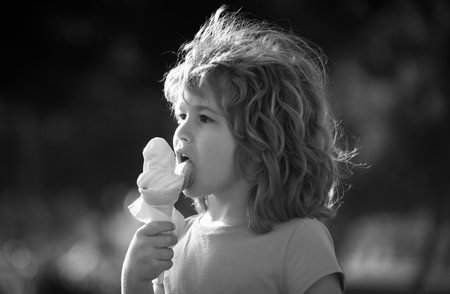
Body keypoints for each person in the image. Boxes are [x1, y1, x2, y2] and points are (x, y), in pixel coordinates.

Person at [122, 5, 355, 294]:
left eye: (204, 118)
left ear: (260, 142)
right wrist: (135, 282)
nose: (181, 132)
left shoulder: (299, 241)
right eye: (182, 116)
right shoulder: (176, 243)